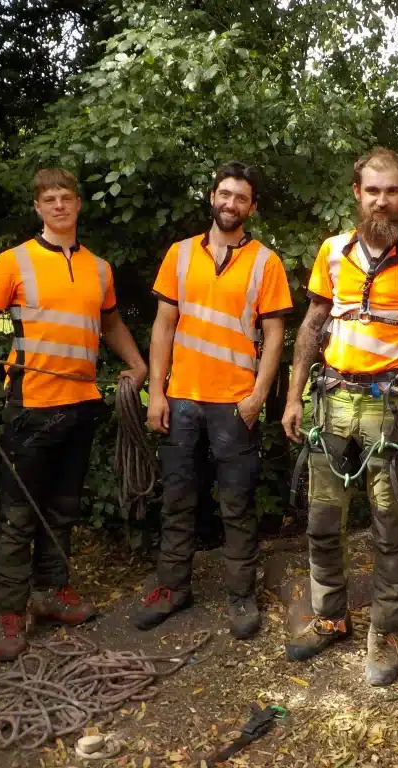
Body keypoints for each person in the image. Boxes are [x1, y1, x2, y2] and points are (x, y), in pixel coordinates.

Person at [0, 168, 148, 661]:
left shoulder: (99, 269)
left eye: (66, 198)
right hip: (29, 409)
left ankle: (52, 593)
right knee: (18, 514)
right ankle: (10, 610)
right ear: (38, 207)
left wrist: (137, 363)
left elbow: (108, 322)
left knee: (63, 510)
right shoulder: (14, 261)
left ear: (78, 204)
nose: (59, 206)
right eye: (49, 199)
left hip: (81, 405)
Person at [282, 147, 398, 687]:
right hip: (331, 400)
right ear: (357, 193)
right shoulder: (332, 251)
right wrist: (291, 397)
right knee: (322, 519)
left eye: (392, 190)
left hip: (390, 406)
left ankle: (385, 629)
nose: (382, 199)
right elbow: (311, 326)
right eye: (372, 190)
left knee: (389, 523)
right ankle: (330, 616)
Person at [136, 161, 293, 639]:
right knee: (178, 498)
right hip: (182, 398)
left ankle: (241, 593)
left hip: (234, 403)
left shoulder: (266, 262)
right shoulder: (180, 254)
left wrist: (257, 396)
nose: (231, 203)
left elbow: (275, 333)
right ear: (212, 197)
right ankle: (172, 587)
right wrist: (156, 393)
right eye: (224, 194)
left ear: (252, 207)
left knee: (237, 503)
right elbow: (164, 326)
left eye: (241, 198)